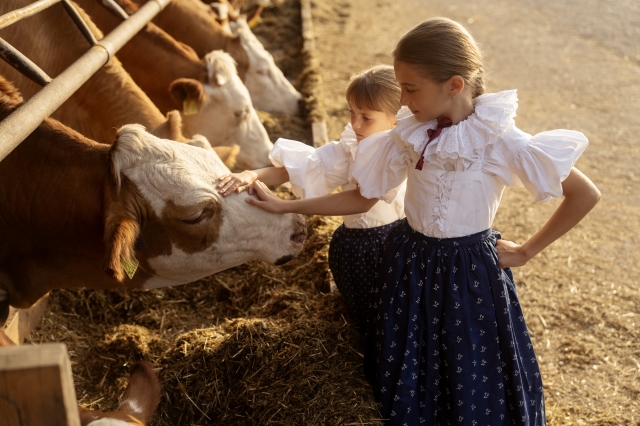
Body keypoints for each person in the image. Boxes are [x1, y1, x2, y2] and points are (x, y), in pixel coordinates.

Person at [245, 17, 600, 426]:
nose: (403, 101)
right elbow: (364, 195)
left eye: (410, 89)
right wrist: (286, 207)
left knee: (470, 367)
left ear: (454, 85)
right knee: (411, 366)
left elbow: (584, 194)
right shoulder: (411, 133)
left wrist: (526, 250)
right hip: (409, 262)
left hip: (468, 274)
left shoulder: (500, 139)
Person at [217, 65, 410, 334]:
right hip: (352, 247)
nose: (355, 123)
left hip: (383, 248)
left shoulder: (393, 153)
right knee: (361, 316)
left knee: (385, 321)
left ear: (396, 120)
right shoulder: (353, 143)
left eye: (366, 117)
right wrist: (251, 174)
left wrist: (285, 206)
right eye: (352, 112)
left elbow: (360, 201)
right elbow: (306, 166)